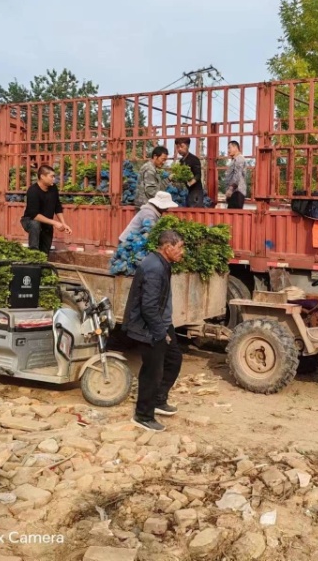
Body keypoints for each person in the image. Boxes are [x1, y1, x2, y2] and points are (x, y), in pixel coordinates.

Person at [122, 230, 185, 432]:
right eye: (180, 247)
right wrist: (160, 332)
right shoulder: (154, 268)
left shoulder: (163, 264)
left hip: (162, 322)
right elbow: (148, 307)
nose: (182, 252)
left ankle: (158, 400)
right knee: (152, 371)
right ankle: (143, 415)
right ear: (168, 247)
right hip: (148, 326)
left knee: (174, 359)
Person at [21, 165, 73, 255]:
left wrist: (63, 224)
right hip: (29, 220)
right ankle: (33, 254)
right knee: (35, 224)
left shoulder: (53, 188)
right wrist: (55, 223)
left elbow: (57, 206)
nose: (54, 179)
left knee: (45, 253)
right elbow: (34, 215)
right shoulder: (33, 191)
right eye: (51, 176)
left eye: (54, 176)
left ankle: (42, 264)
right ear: (42, 176)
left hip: (46, 223)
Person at [174, 137, 204, 208]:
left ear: (188, 146)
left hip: (196, 192)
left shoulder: (194, 159)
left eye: (181, 146)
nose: (179, 149)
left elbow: (198, 175)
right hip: (187, 191)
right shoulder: (181, 161)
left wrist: (190, 183)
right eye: (177, 147)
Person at [224, 141, 247, 209]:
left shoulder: (239, 159)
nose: (228, 151)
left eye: (229, 148)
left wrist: (231, 189)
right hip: (234, 192)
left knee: (233, 216)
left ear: (235, 147)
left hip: (237, 192)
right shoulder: (235, 160)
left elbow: (237, 175)